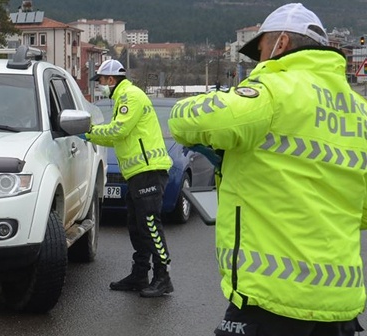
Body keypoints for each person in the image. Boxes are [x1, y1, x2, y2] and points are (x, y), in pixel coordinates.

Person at [168, 3, 366, 335]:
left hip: (271, 302)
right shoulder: (360, 112)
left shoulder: (274, 92)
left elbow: (185, 120)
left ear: (282, 44)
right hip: (340, 307)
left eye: (260, 50)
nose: (258, 61)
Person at [82, 59, 173, 297]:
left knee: (150, 224)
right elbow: (115, 137)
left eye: (100, 80)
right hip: (137, 172)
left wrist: (87, 132)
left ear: (111, 80)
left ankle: (163, 277)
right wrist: (90, 136)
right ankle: (140, 274)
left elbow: (118, 130)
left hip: (148, 170)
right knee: (136, 226)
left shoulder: (130, 96)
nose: (100, 85)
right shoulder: (121, 98)